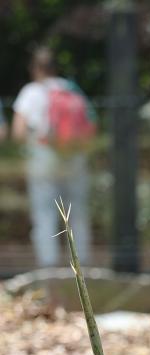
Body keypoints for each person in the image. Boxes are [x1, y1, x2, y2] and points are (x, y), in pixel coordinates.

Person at [12, 47, 95, 267]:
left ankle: (49, 266)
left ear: (36, 68)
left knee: (45, 212)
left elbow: (18, 132)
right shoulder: (71, 88)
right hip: (74, 157)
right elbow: (89, 126)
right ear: (55, 67)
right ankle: (81, 265)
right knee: (77, 212)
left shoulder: (31, 91)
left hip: (43, 157)